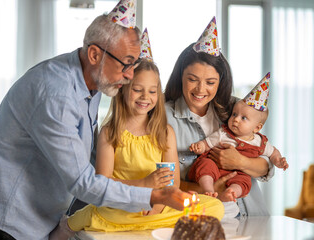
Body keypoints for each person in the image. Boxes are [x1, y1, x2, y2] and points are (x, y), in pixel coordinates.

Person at [0, 2, 192, 239]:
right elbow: (82, 181)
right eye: (126, 63)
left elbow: (82, 155)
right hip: (7, 222)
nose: (129, 75)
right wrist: (151, 194)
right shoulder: (57, 96)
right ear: (94, 54)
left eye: (133, 64)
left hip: (38, 220)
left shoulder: (92, 80)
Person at [49, 28, 225, 239]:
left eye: (152, 91)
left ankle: (147, 222)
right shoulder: (110, 132)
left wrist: (158, 203)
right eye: (137, 89)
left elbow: (172, 183)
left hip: (158, 206)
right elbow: (102, 183)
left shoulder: (165, 132)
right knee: (93, 213)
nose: (145, 97)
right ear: (123, 88)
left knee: (215, 207)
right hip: (121, 206)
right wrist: (144, 187)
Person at [164, 17, 274, 216]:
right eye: (192, 79)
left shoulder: (235, 110)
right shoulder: (165, 117)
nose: (200, 89)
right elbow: (163, 183)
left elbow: (266, 165)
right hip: (199, 218)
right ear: (180, 76)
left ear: (220, 81)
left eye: (210, 82)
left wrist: (239, 162)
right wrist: (211, 189)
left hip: (250, 216)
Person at [188, 74, 288, 202]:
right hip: (215, 167)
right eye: (234, 114)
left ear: (257, 128)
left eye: (243, 118)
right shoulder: (224, 133)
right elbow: (207, 143)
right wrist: (199, 147)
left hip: (238, 173)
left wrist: (278, 160)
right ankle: (209, 189)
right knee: (205, 165)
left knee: (244, 181)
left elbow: (273, 152)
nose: (235, 119)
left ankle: (232, 192)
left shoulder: (260, 142)